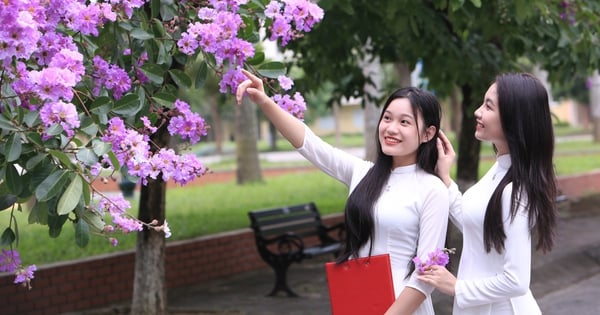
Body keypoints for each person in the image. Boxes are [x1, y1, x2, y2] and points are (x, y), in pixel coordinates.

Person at [236, 69, 449, 315]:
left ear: (428, 133)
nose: (391, 128)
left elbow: (426, 276)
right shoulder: (363, 174)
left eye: (404, 122)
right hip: (359, 300)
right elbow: (311, 145)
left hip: (404, 307)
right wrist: (265, 102)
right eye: (387, 118)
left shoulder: (432, 190)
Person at [418, 72, 557, 315]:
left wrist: (456, 287)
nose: (477, 112)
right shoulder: (502, 170)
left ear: (515, 118)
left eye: (488, 106)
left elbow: (516, 281)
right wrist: (447, 179)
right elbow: (477, 225)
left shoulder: (516, 191)